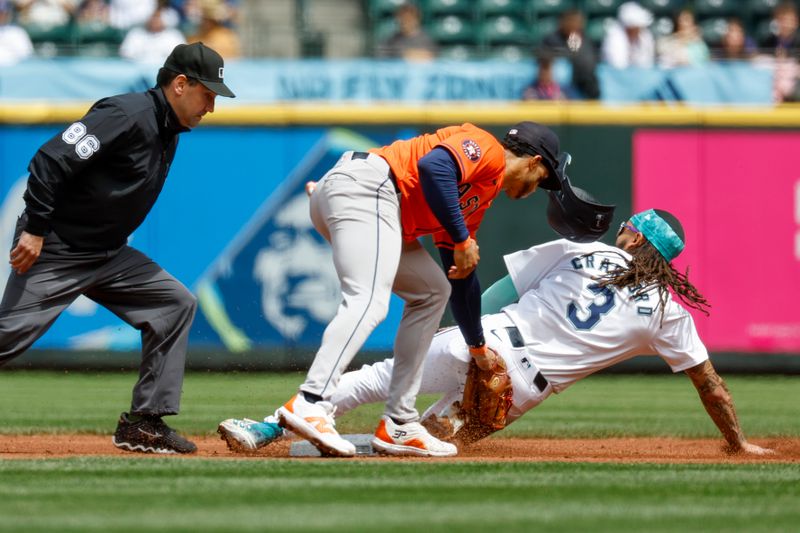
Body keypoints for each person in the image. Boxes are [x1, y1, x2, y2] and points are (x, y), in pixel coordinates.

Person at [219, 201, 772, 456]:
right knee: (428, 443)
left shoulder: (579, 251)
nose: (623, 232)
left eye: (629, 229)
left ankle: (272, 429)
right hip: (521, 392)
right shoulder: (667, 312)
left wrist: (465, 336)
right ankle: (322, 448)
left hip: (487, 343)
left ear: (633, 239)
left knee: (377, 381)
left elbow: (498, 294)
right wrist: (738, 442)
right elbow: (710, 386)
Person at [219, 121, 564, 458]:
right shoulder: (486, 148)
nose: (536, 189)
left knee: (432, 291)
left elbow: (460, 275)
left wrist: (478, 348)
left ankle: (399, 421)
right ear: (534, 162)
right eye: (542, 179)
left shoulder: (480, 196)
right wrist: (461, 238)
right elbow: (434, 166)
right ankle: (311, 402)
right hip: (369, 188)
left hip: (372, 203)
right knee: (368, 300)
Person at [0, 42, 235, 454]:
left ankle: (143, 424)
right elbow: (49, 161)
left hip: (108, 254)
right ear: (181, 84)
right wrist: (35, 229)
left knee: (173, 304)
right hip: (58, 247)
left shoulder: (168, 126)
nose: (211, 106)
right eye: (208, 94)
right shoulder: (126, 114)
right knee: (6, 338)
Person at [541, 9, 600, 99]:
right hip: (558, 87)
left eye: (577, 22)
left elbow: (590, 62)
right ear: (563, 22)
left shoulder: (585, 40)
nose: (574, 25)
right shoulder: (552, 40)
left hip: (583, 84)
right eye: (571, 21)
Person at [119, 2, 186, 64]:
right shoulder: (136, 34)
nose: (154, 21)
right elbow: (126, 53)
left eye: (158, 17)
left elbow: (181, 56)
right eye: (153, 17)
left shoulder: (174, 36)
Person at [601, 1, 655, 69]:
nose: (638, 30)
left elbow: (647, 63)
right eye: (634, 27)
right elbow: (617, 65)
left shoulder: (645, 35)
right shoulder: (614, 36)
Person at [0, 0, 33, 66]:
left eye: (2, 12)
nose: (1, 15)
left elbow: (26, 56)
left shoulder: (17, 33)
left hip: (14, 70)